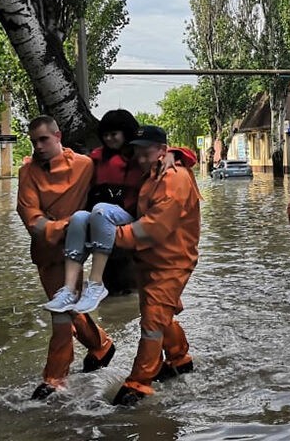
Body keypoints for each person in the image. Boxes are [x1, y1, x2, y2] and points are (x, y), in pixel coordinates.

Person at [16, 116, 115, 400]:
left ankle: (55, 379)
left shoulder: (84, 164)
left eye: (43, 139)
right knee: (69, 308)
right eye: (33, 141)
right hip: (46, 252)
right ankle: (102, 345)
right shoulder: (27, 174)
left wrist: (171, 155)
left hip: (73, 254)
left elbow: (123, 160)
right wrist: (68, 225)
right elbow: (31, 219)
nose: (38, 146)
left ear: (58, 136)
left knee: (60, 314)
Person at [111, 125, 202, 406]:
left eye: (145, 151)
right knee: (158, 313)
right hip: (153, 259)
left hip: (170, 261)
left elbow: (154, 228)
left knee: (152, 321)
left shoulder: (172, 178)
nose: (139, 157)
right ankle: (179, 359)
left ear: (162, 150)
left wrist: (112, 236)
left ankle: (138, 385)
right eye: (136, 151)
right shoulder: (155, 171)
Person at [44, 110, 143, 314]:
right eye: (105, 135)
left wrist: (171, 155)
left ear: (126, 133)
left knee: (100, 210)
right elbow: (69, 163)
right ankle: (70, 288)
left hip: (126, 220)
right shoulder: (96, 159)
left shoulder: (140, 156)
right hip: (101, 223)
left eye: (114, 134)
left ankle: (95, 283)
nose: (109, 139)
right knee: (79, 217)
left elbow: (172, 153)